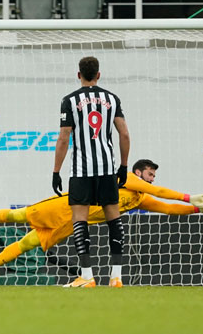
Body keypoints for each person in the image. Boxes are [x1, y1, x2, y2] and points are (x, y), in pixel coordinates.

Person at [0, 159, 203, 286]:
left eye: (153, 175)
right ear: (139, 172)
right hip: (65, 206)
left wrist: (199, 209)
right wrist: (188, 195)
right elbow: (162, 192)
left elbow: (168, 208)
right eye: (150, 174)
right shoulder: (126, 178)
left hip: (72, 224)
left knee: (27, 244)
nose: (152, 179)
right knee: (17, 216)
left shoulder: (139, 199)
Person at [51, 56, 131, 288]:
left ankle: (87, 276)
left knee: (80, 220)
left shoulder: (69, 100)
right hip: (107, 169)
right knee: (114, 219)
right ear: (98, 74)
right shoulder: (112, 99)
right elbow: (124, 134)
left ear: (79, 75)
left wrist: (56, 171)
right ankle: (116, 277)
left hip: (81, 171)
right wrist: (124, 166)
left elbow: (64, 137)